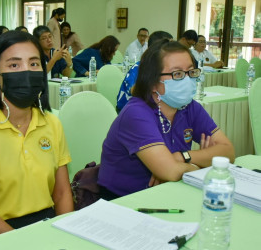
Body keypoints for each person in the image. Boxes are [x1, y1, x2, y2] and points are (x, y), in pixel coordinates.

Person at [0, 31, 74, 249]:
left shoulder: (52, 123)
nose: (26, 72)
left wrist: (65, 237)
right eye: (14, 65)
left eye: (34, 64)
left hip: (46, 227)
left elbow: (63, 193)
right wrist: (26, 244)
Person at [98, 39, 235, 200]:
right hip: (124, 200)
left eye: (191, 72)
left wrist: (182, 156)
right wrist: (200, 162)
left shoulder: (189, 107)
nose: (187, 79)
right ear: (153, 82)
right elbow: (169, 171)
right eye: (177, 74)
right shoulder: (136, 113)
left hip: (170, 193)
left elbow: (228, 153)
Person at [116, 31, 173, 112]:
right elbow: (136, 92)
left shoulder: (164, 67)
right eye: (170, 48)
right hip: (130, 112)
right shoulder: (139, 68)